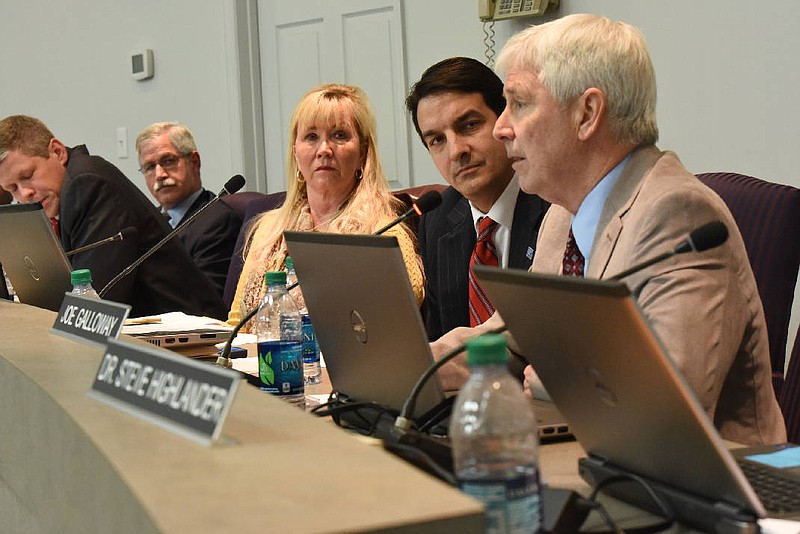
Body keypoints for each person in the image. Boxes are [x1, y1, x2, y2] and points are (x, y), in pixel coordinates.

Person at [432, 14, 785, 446]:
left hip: (715, 490)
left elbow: (664, 410)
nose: (502, 128)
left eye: (519, 104)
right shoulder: (562, 214)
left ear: (588, 113)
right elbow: (510, 338)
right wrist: (413, 363)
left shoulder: (679, 215)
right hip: (597, 456)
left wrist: (549, 376)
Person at [228, 83, 424, 329]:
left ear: (363, 153)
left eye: (339, 136)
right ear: (296, 154)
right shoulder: (269, 230)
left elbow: (398, 316)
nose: (324, 150)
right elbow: (236, 324)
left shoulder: (384, 232)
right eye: (311, 137)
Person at [0, 115, 227, 319]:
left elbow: (95, 302)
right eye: (12, 189)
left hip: (192, 341)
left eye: (28, 176)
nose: (25, 193)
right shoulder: (65, 194)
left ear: (58, 152)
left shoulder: (87, 183)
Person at [406, 57, 549, 348]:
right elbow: (440, 341)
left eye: (469, 125)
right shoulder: (438, 220)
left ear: (506, 121)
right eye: (437, 140)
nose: (456, 150)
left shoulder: (554, 203)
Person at [135, 122, 242, 298]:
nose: (159, 174)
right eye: (150, 167)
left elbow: (206, 299)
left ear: (194, 162)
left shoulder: (218, 220)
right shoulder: (147, 223)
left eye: (168, 161)